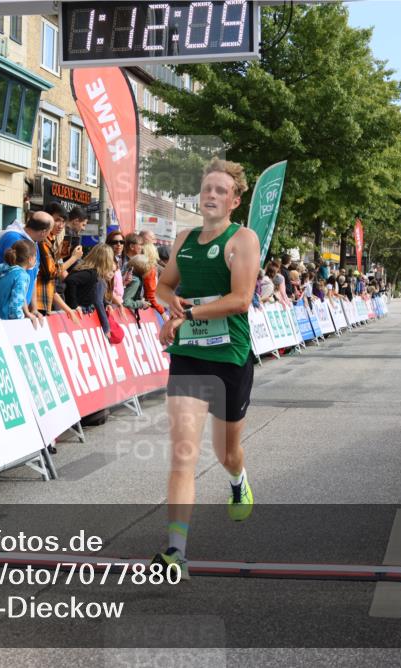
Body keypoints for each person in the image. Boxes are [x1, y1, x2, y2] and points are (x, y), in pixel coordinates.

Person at [152, 157, 260, 578]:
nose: (211, 195)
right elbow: (164, 284)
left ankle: (238, 480)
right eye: (206, 189)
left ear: (234, 200)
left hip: (230, 355)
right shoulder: (184, 238)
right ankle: (176, 551)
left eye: (220, 190)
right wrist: (170, 303)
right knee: (183, 454)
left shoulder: (242, 240)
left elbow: (241, 300)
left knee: (226, 451)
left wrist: (186, 314)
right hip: (190, 355)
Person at [0, 212, 52, 322]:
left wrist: (33, 309)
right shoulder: (15, 239)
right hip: (3, 313)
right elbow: (18, 289)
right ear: (44, 232)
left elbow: (33, 278)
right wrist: (24, 313)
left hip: (0, 310)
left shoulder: (32, 243)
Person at [64, 243, 115, 338]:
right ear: (106, 260)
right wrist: (74, 305)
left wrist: (106, 304)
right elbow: (70, 281)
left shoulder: (92, 272)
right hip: (76, 313)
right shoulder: (91, 273)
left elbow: (96, 295)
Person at [0, 239, 37, 320]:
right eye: (35, 256)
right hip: (5, 322)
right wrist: (21, 320)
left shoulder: (1, 267)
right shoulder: (22, 276)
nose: (36, 259)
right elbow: (15, 305)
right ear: (30, 259)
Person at [105, 230, 126, 305]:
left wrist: (124, 282)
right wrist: (118, 303)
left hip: (116, 304)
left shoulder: (118, 260)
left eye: (121, 242)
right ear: (109, 244)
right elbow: (105, 287)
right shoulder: (106, 261)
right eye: (115, 242)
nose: (119, 244)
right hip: (110, 305)